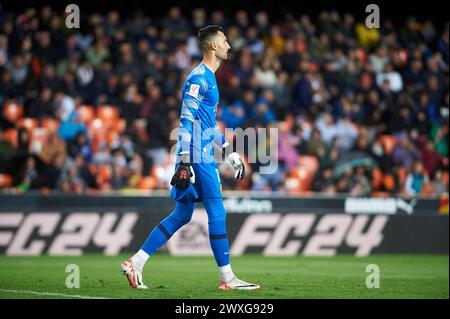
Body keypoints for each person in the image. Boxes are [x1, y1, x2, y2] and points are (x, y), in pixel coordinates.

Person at [120, 25, 260, 290]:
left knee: (183, 214)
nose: (229, 44)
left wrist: (229, 152)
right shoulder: (198, 79)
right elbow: (185, 121)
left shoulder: (209, 78)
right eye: (225, 40)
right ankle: (227, 278)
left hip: (200, 151)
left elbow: (207, 124)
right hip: (196, 155)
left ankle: (135, 263)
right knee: (217, 210)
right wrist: (184, 160)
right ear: (213, 46)